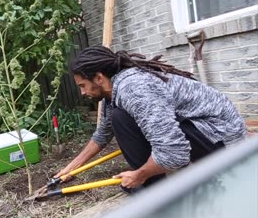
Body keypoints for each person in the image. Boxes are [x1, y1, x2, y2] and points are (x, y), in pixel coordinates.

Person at [54, 46, 247, 192]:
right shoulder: (112, 92)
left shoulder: (134, 88)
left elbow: (174, 152)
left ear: (98, 78)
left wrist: (138, 175)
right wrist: (70, 169)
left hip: (222, 142)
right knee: (117, 117)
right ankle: (155, 181)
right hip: (203, 132)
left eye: (82, 85)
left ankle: (157, 192)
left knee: (120, 118)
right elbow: (102, 135)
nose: (82, 92)